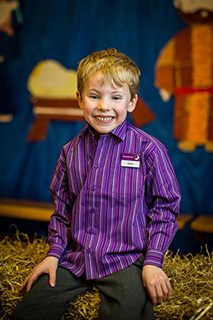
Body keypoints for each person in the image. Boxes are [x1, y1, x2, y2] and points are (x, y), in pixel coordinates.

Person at [11, 48, 181, 320]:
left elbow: (165, 208)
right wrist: (54, 254)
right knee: (28, 311)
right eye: (94, 96)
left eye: (115, 97)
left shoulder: (149, 150)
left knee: (130, 313)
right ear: (80, 98)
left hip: (125, 260)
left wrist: (153, 261)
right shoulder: (69, 152)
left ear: (132, 102)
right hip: (74, 261)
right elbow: (62, 210)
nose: (104, 106)